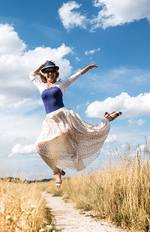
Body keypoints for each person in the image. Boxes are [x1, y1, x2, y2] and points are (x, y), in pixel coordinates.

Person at [30, 60, 121, 188]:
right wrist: (42, 65)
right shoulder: (41, 86)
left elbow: (77, 75)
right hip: (50, 121)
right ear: (44, 74)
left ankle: (108, 118)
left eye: (52, 71)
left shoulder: (62, 84)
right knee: (39, 146)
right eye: (47, 72)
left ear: (56, 73)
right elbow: (32, 75)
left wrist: (87, 68)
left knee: (89, 131)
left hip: (64, 117)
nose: (50, 73)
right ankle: (56, 170)